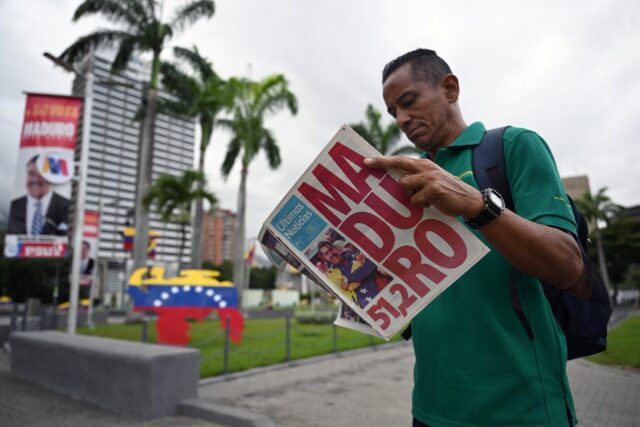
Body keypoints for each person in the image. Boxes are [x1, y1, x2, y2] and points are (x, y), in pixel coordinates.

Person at [364, 49, 583, 427]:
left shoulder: (512, 147)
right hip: (430, 409)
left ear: (450, 88)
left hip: (520, 410)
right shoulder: (404, 185)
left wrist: (476, 205)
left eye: (409, 101)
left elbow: (567, 266)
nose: (401, 119)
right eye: (392, 112)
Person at [7, 155, 69, 236]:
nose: (35, 179)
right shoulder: (14, 206)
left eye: (40, 175)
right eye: (31, 174)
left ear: (50, 178)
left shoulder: (66, 206)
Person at [317, 240, 381, 309]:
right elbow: (347, 288)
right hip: (364, 302)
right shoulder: (331, 275)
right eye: (326, 253)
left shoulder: (353, 254)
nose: (331, 254)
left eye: (331, 249)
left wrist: (348, 279)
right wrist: (361, 273)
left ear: (335, 248)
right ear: (325, 258)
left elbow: (371, 263)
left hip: (379, 288)